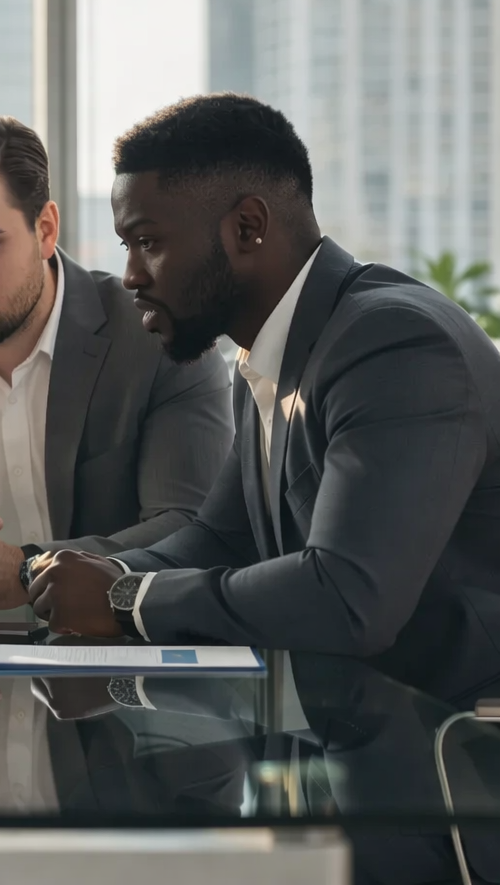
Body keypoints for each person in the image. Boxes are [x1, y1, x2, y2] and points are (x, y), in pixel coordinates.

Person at [28, 93, 500, 705]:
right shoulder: (267, 356)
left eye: (148, 241)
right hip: (377, 737)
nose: (132, 276)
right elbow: (224, 537)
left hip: (466, 755)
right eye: (127, 248)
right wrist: (114, 574)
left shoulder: (395, 344)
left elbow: (349, 597)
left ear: (247, 227)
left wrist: (127, 602)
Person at [0, 113, 233, 610]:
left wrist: (27, 569)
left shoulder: (156, 339)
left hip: (117, 664)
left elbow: (191, 531)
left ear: (45, 229)